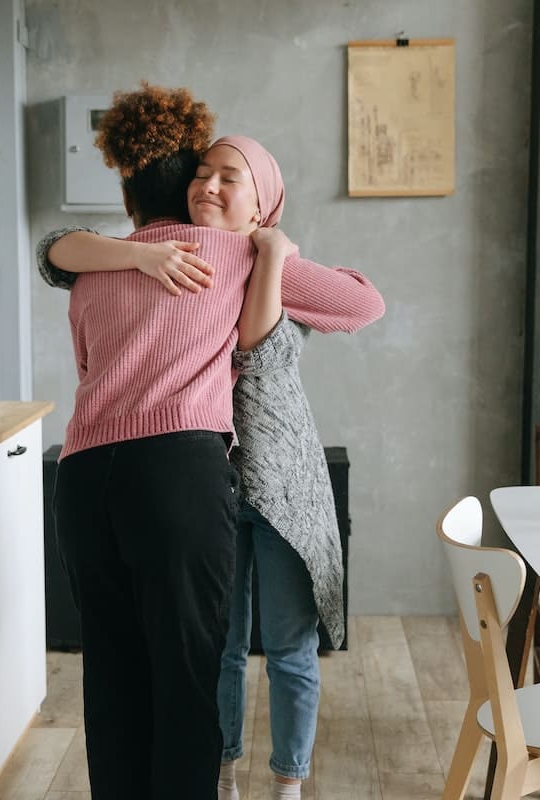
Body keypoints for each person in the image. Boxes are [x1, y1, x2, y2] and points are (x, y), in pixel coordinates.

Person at [37, 84, 383, 800]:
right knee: (187, 677)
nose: (211, 186)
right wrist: (275, 253)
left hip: (80, 477)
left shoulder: (90, 269)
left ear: (128, 187)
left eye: (229, 177)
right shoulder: (232, 256)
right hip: (174, 474)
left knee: (111, 673)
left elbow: (71, 318)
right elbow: (361, 304)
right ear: (181, 180)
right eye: (204, 173)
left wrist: (137, 256)